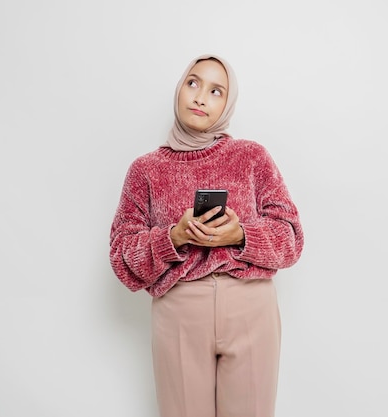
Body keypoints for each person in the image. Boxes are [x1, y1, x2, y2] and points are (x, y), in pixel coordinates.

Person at [109, 54, 304, 417]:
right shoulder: (145, 170)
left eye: (217, 91)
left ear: (228, 103)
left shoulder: (252, 157)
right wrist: (173, 237)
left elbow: (291, 238)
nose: (200, 97)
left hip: (250, 308)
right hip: (180, 311)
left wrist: (240, 235)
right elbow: (121, 257)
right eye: (193, 83)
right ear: (180, 88)